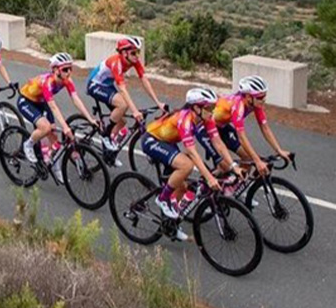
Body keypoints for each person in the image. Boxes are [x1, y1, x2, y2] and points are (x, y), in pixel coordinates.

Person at [141, 86, 221, 236]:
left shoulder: (204, 118)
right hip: (152, 140)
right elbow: (192, 152)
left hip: (168, 143)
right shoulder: (185, 119)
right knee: (186, 165)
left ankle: (170, 224)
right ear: (196, 108)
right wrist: (209, 178)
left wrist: (232, 165)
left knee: (182, 187)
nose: (213, 111)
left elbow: (217, 142)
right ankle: (163, 198)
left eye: (214, 107)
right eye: (210, 108)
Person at [17, 52, 99, 183]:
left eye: (70, 68)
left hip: (41, 102)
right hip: (26, 101)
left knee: (54, 139)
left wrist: (90, 119)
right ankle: (28, 144)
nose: (69, 72)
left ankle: (55, 167)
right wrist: (65, 128)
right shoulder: (47, 83)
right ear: (56, 70)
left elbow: (76, 99)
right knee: (45, 128)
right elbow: (54, 107)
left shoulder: (67, 80)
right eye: (65, 69)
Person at [196, 76, 291, 177]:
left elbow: (265, 127)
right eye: (260, 97)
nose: (263, 100)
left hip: (221, 127)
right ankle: (207, 182)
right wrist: (257, 161)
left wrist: (279, 150)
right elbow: (241, 137)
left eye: (264, 96)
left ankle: (236, 183)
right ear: (249, 97)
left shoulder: (255, 104)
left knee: (247, 158)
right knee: (226, 166)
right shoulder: (238, 106)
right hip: (204, 129)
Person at [86, 36, 166, 154]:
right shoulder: (116, 63)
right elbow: (122, 89)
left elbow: (144, 81)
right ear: (124, 53)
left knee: (121, 121)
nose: (137, 56)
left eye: (138, 52)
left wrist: (158, 103)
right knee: (123, 105)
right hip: (95, 85)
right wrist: (135, 111)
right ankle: (105, 135)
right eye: (133, 53)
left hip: (107, 85)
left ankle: (108, 152)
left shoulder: (134, 61)